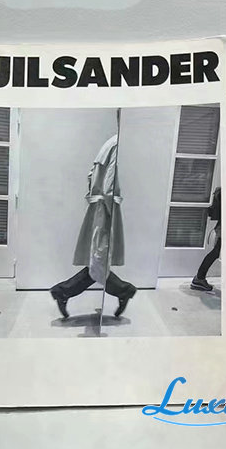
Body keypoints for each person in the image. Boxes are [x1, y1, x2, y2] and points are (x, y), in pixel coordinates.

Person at [50, 134, 137, 319]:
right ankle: (123, 290)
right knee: (98, 260)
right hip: (104, 208)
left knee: (98, 260)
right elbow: (108, 186)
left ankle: (64, 291)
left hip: (99, 206)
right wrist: (109, 213)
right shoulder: (116, 145)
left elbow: (91, 175)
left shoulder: (108, 144)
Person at [191, 186, 221, 292]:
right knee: (216, 252)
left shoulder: (221, 191)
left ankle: (199, 278)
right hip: (225, 227)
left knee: (216, 252)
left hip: (222, 226)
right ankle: (199, 278)